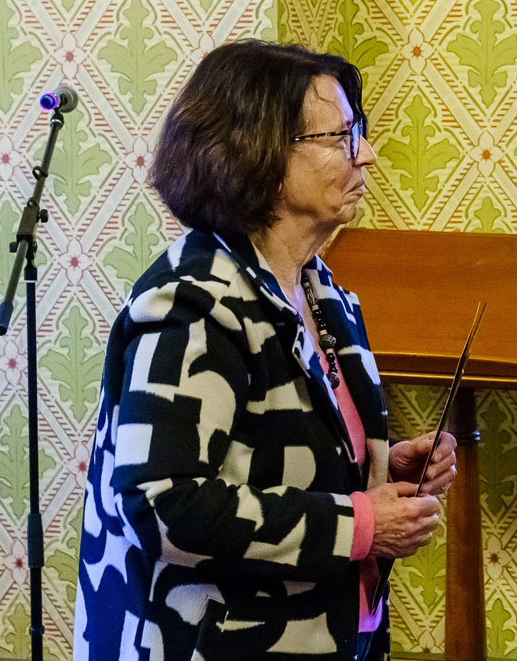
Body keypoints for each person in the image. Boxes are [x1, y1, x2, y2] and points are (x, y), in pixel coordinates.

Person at [74, 40, 458, 661]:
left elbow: (272, 455)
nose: (367, 153)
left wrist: (381, 471)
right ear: (260, 154)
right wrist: (362, 523)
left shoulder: (320, 290)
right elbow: (163, 503)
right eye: (341, 137)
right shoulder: (193, 302)